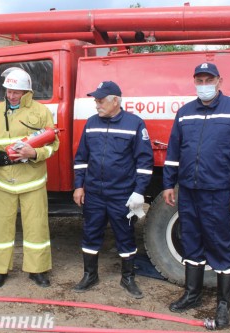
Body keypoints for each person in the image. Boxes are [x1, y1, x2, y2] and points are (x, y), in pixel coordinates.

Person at [162, 63, 230, 329]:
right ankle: (192, 294)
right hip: (188, 192)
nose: (204, 84)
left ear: (219, 80)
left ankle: (224, 303)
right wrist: (168, 184)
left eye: (208, 79)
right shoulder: (185, 113)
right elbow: (174, 152)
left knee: (219, 244)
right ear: (194, 81)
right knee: (190, 241)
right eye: (199, 79)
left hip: (219, 192)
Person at [0, 67, 59, 288]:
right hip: (4, 180)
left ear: (27, 92)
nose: (11, 95)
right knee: (1, 228)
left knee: (37, 227)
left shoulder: (41, 112)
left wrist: (35, 153)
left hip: (32, 180)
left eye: (16, 92)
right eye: (8, 91)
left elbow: (53, 144)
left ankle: (37, 270)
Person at [72, 81, 154, 299]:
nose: (96, 104)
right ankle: (90, 275)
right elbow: (81, 159)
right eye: (95, 100)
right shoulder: (91, 123)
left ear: (115, 100)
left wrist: (139, 191)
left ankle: (128, 278)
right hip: (95, 194)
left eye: (100, 100)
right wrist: (79, 185)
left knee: (125, 235)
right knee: (90, 234)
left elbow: (144, 162)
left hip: (121, 195)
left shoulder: (134, 124)